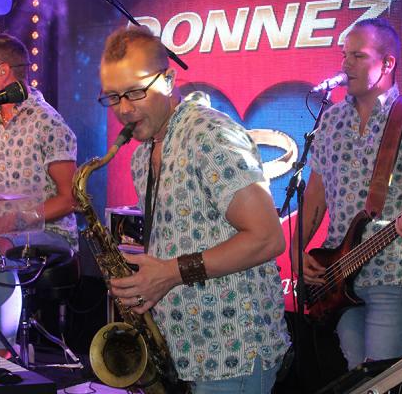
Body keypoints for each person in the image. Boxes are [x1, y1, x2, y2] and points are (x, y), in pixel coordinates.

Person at [99, 26, 291, 393]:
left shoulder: (209, 134)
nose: (123, 109)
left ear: (169, 80)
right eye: (113, 96)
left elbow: (268, 238)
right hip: (188, 350)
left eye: (136, 92)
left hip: (233, 352)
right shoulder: (142, 155)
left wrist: (168, 273)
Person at [292, 18, 402, 370]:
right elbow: (315, 199)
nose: (346, 64)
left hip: (392, 277)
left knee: (381, 378)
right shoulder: (330, 121)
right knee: (355, 372)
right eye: (344, 55)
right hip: (337, 274)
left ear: (388, 63)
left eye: (358, 56)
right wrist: (295, 252)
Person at [0, 33, 79, 358]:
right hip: (0, 226)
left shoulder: (48, 123)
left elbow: (70, 199)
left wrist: (13, 221)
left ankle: (2, 351)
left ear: (3, 71)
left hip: (51, 232)